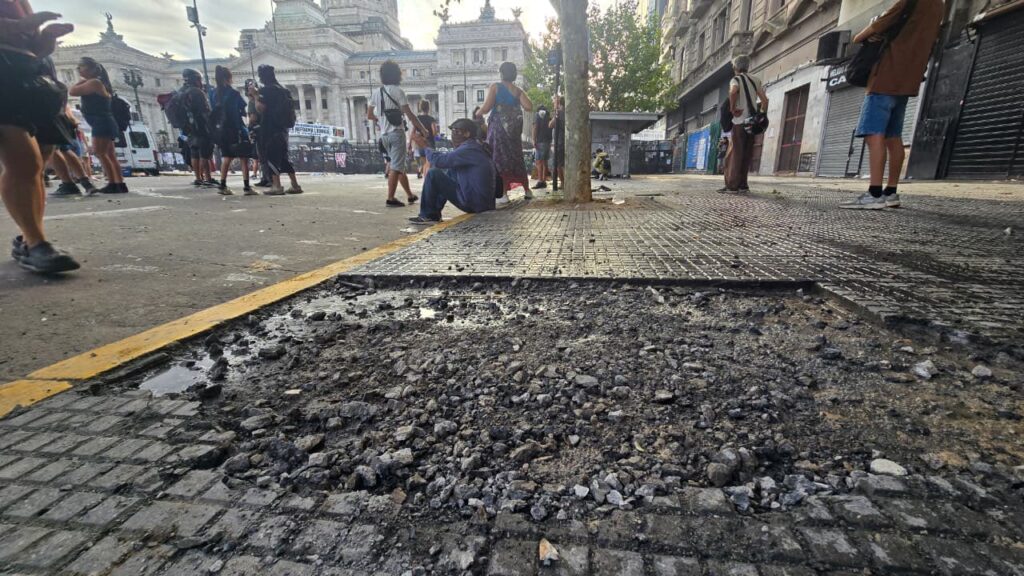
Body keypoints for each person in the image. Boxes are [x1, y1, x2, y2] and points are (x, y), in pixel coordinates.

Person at [841, 0, 943, 210]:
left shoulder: (908, 2)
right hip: (908, 80)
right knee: (893, 136)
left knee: (873, 134)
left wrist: (871, 35)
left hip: (885, 76)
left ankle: (874, 194)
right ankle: (891, 192)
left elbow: (861, 36)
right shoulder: (938, 6)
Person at [1, 3, 80, 273]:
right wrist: (19, 26)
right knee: (24, 160)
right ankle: (35, 242)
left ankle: (31, 237)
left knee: (39, 159)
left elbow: (34, 49)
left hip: (29, 75)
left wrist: (46, 37)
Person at [407, 119, 496, 225]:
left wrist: (425, 146)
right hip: (484, 203)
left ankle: (428, 215)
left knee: (433, 174)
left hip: (476, 204)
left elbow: (439, 161)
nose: (453, 135)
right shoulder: (477, 146)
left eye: (456, 132)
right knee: (451, 170)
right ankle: (434, 213)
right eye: (453, 132)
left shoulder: (468, 148)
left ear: (467, 134)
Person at [367, 60, 428, 207]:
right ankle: (391, 198)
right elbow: (410, 114)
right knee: (396, 167)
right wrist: (422, 129)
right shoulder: (398, 91)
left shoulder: (376, 92)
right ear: (397, 75)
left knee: (398, 165)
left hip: (384, 136)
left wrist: (381, 119)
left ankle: (410, 195)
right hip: (396, 133)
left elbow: (369, 115)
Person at [476, 61, 533, 203]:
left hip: (499, 131)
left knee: (499, 159)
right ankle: (527, 190)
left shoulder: (496, 87)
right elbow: (529, 106)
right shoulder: (518, 90)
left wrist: (478, 112)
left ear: (502, 73)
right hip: (513, 132)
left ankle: (504, 193)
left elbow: (486, 108)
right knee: (516, 158)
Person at [70, 56, 126, 194]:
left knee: (100, 153)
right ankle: (119, 183)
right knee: (110, 154)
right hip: (105, 121)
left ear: (91, 69)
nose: (78, 69)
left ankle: (112, 183)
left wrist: (82, 81)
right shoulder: (99, 82)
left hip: (101, 122)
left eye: (81, 66)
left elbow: (72, 91)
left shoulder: (94, 83)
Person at [721, 55, 767, 193]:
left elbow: (733, 91)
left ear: (735, 67)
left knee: (735, 154)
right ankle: (743, 185)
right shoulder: (755, 80)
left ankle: (732, 185)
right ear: (747, 66)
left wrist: (732, 108)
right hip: (752, 123)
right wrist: (761, 114)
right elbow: (765, 101)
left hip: (740, 122)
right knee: (747, 153)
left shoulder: (735, 79)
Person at [255, 64, 303, 196]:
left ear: (262, 77)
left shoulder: (266, 90)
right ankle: (295, 184)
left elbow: (260, 108)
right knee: (283, 157)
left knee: (271, 156)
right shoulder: (284, 90)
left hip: (270, 128)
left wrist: (255, 96)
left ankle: (276, 186)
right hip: (283, 129)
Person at [211, 66, 254, 196]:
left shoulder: (213, 93)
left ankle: (223, 185)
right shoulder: (233, 93)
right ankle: (247, 187)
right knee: (244, 158)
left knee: (226, 158)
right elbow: (241, 110)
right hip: (236, 129)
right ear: (227, 78)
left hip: (222, 131)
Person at [177, 68, 215, 188]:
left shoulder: (181, 92)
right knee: (204, 154)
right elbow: (205, 111)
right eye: (199, 79)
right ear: (195, 79)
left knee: (194, 153)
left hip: (188, 128)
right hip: (201, 126)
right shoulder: (197, 92)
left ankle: (198, 178)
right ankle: (207, 178)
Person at [246, 80, 269, 187]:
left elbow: (253, 118)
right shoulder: (263, 99)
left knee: (262, 156)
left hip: (258, 130)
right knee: (264, 156)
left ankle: (266, 178)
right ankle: (266, 178)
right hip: (266, 129)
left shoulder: (252, 102)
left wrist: (249, 127)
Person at [410, 99, 438, 179]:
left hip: (420, 144)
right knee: (428, 163)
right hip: (429, 143)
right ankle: (427, 179)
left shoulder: (417, 119)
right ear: (428, 108)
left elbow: (412, 132)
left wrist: (410, 144)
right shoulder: (431, 119)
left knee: (424, 163)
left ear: (420, 108)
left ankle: (425, 178)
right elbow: (434, 132)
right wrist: (434, 136)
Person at [532, 105, 552, 190]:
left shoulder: (537, 115)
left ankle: (540, 181)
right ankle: (543, 180)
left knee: (539, 162)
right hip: (548, 142)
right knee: (544, 162)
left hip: (540, 141)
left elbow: (535, 127)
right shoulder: (548, 117)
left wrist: (534, 139)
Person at [549, 96, 565, 187]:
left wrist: (555, 116)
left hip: (560, 142)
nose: (553, 104)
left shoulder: (559, 113)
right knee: (561, 163)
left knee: (559, 164)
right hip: (561, 141)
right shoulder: (566, 112)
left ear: (558, 103)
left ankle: (563, 182)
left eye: (554, 102)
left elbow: (550, 125)